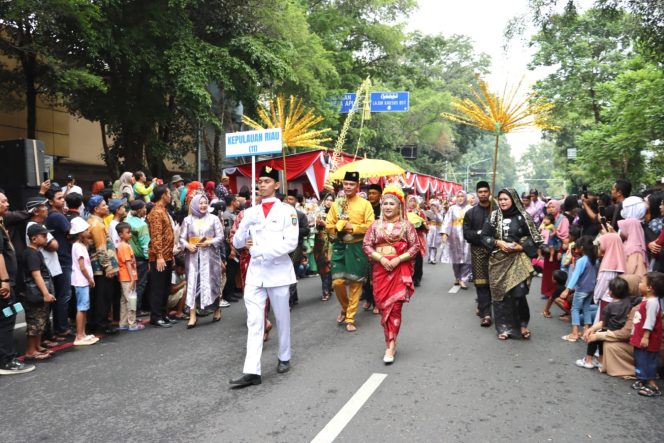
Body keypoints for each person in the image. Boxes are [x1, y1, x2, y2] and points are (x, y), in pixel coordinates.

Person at [229, 165, 299, 388]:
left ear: (277, 185)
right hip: (256, 274)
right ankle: (252, 371)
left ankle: (284, 356)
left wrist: (260, 250)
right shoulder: (250, 212)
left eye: (267, 181)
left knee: (282, 317)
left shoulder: (288, 211)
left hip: (278, 272)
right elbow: (237, 243)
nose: (262, 185)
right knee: (254, 321)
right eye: (260, 182)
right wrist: (243, 229)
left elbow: (291, 243)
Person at [362, 185, 419, 364]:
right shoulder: (375, 226)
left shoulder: (406, 226)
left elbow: (415, 246)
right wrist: (380, 258)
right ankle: (390, 338)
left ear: (398, 207)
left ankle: (391, 344)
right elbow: (366, 246)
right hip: (380, 270)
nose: (387, 207)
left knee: (394, 308)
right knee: (383, 307)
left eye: (391, 204)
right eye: (385, 203)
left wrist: (398, 259)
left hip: (398, 270)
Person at [481, 188, 542, 340]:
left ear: (513, 200)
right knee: (501, 296)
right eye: (500, 199)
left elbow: (535, 238)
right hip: (498, 261)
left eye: (505, 199)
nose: (502, 202)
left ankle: (523, 324)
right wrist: (498, 242)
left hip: (518, 260)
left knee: (518, 294)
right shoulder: (494, 216)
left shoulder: (524, 217)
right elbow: (484, 236)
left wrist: (521, 247)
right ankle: (504, 328)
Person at [325, 171, 375, 332]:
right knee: (337, 282)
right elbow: (328, 224)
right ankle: (345, 308)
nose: (348, 186)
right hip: (340, 246)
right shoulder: (337, 204)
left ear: (357, 186)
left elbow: (371, 226)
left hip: (357, 247)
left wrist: (352, 227)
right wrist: (338, 226)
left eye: (351, 184)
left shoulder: (364, 204)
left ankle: (350, 317)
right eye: (346, 184)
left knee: (355, 283)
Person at [0, 190, 36, 375]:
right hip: (5, 285)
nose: (7, 205)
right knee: (8, 317)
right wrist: (5, 281)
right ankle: (7, 360)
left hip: (9, 282)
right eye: (4, 202)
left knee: (10, 313)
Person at [179, 194, 225, 328]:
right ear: (194, 205)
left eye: (205, 203)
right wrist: (188, 246)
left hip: (210, 256)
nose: (203, 205)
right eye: (200, 203)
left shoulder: (214, 219)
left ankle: (216, 309)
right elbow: (182, 238)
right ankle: (192, 314)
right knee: (193, 284)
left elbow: (220, 237)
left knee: (213, 282)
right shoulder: (187, 220)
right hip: (192, 257)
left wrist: (209, 242)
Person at [577, 277, 631, 369]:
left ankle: (588, 360)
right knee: (601, 334)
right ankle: (601, 360)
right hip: (620, 329)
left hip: (610, 330)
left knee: (594, 337)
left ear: (611, 292)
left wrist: (591, 330)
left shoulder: (609, 307)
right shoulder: (628, 302)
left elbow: (604, 323)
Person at [22, 224, 57, 361]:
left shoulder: (35, 252)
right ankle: (31, 351)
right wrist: (46, 293)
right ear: (34, 239)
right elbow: (36, 275)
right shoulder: (31, 254)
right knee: (35, 323)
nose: (46, 238)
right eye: (44, 236)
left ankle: (37, 347)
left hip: (38, 293)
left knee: (41, 321)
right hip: (35, 293)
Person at [86, 195, 119, 334]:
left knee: (99, 296)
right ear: (96, 209)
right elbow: (101, 248)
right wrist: (108, 267)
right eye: (104, 205)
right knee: (103, 297)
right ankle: (102, 324)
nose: (107, 207)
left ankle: (98, 323)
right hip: (101, 268)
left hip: (98, 266)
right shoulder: (97, 225)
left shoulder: (96, 221)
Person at [462, 181, 493, 327]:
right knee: (481, 283)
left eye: (485, 191)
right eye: (480, 192)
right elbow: (467, 234)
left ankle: (490, 307)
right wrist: (481, 235)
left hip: (496, 251)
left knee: (495, 283)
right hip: (478, 251)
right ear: (477, 193)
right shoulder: (470, 213)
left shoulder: (497, 212)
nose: (483, 194)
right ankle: (486, 314)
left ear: (489, 192)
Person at [147, 185, 176, 328]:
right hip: (159, 257)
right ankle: (156, 316)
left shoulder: (164, 210)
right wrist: (159, 256)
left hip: (167, 255)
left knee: (165, 287)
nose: (170, 196)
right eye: (169, 193)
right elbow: (156, 236)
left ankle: (164, 314)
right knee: (158, 288)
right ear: (163, 195)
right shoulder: (156, 213)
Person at [630, 272, 664, 397]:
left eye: (641, 282)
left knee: (647, 360)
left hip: (647, 338)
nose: (639, 284)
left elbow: (650, 321)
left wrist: (646, 336)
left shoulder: (652, 302)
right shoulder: (647, 299)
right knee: (640, 358)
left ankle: (652, 385)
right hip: (640, 335)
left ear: (650, 288)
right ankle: (642, 379)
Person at [45, 188, 72, 338]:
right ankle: (61, 328)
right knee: (63, 295)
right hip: (63, 258)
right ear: (51, 201)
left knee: (57, 295)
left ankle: (56, 327)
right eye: (59, 198)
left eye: (63, 197)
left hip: (56, 258)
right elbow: (71, 234)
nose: (63, 200)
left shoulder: (49, 216)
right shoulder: (58, 216)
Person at [560, 236, 597, 342]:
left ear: (581, 247)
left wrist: (567, 290)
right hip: (590, 288)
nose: (575, 250)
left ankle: (575, 333)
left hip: (581, 289)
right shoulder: (593, 259)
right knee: (586, 308)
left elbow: (575, 276)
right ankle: (587, 331)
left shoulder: (582, 260)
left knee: (575, 309)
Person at [69, 218, 100, 345]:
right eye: (86, 230)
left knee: (84, 307)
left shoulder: (80, 245)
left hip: (83, 280)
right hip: (81, 280)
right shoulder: (78, 247)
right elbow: (82, 267)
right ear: (80, 233)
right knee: (82, 308)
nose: (88, 231)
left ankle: (83, 333)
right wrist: (90, 279)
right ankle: (79, 335)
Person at [115, 222, 143, 332]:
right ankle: (132, 323)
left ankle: (123, 322)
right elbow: (127, 263)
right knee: (131, 300)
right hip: (128, 277)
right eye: (128, 233)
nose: (130, 234)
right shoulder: (125, 246)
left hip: (124, 277)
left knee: (124, 300)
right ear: (121, 235)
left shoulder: (122, 246)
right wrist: (132, 279)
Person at [442, 190, 472, 289]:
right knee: (456, 258)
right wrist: (445, 233)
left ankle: (463, 279)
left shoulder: (470, 208)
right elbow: (447, 221)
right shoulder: (452, 208)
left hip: (466, 236)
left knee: (467, 257)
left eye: (462, 196)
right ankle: (457, 277)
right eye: (458, 196)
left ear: (465, 198)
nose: (460, 198)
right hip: (454, 236)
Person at [540, 199, 570, 299]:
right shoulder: (547, 219)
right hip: (548, 248)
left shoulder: (563, 219)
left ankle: (555, 292)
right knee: (547, 271)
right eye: (549, 207)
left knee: (556, 272)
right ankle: (546, 292)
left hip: (558, 248)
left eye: (553, 207)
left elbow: (564, 235)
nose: (551, 209)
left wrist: (561, 250)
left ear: (558, 207)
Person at [286, 189, 310, 307]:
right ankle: (293, 297)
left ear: (295, 201)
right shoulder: (281, 214)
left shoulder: (300, 215)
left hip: (296, 247)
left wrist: (293, 230)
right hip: (283, 248)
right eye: (286, 199)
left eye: (291, 199)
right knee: (285, 272)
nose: (288, 201)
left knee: (291, 271)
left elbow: (306, 230)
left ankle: (289, 301)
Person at [126, 200, 150, 315]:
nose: (145, 210)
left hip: (128, 257)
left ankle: (130, 310)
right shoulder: (142, 225)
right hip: (140, 259)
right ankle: (137, 310)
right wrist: (148, 258)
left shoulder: (126, 221)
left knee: (131, 284)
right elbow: (145, 245)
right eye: (144, 208)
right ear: (139, 210)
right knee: (140, 284)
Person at [314, 193, 334, 302]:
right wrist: (315, 223)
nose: (329, 201)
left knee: (328, 265)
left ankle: (326, 290)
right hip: (319, 242)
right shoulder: (318, 212)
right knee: (321, 266)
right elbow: (311, 227)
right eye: (327, 199)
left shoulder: (336, 213)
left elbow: (337, 228)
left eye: (331, 200)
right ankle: (328, 287)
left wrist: (325, 223)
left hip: (331, 242)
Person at [406, 195, 427, 287]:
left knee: (418, 257)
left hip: (418, 237)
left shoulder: (420, 212)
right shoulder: (403, 212)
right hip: (406, 238)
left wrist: (421, 224)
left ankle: (417, 277)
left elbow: (426, 224)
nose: (412, 203)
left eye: (414, 201)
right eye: (410, 201)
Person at [425, 200, 445, 264]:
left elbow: (441, 220)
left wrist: (436, 212)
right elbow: (425, 220)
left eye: (434, 205)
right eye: (432, 205)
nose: (433, 207)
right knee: (430, 244)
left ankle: (433, 258)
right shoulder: (428, 212)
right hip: (430, 230)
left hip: (437, 230)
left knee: (435, 245)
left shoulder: (440, 212)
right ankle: (430, 257)